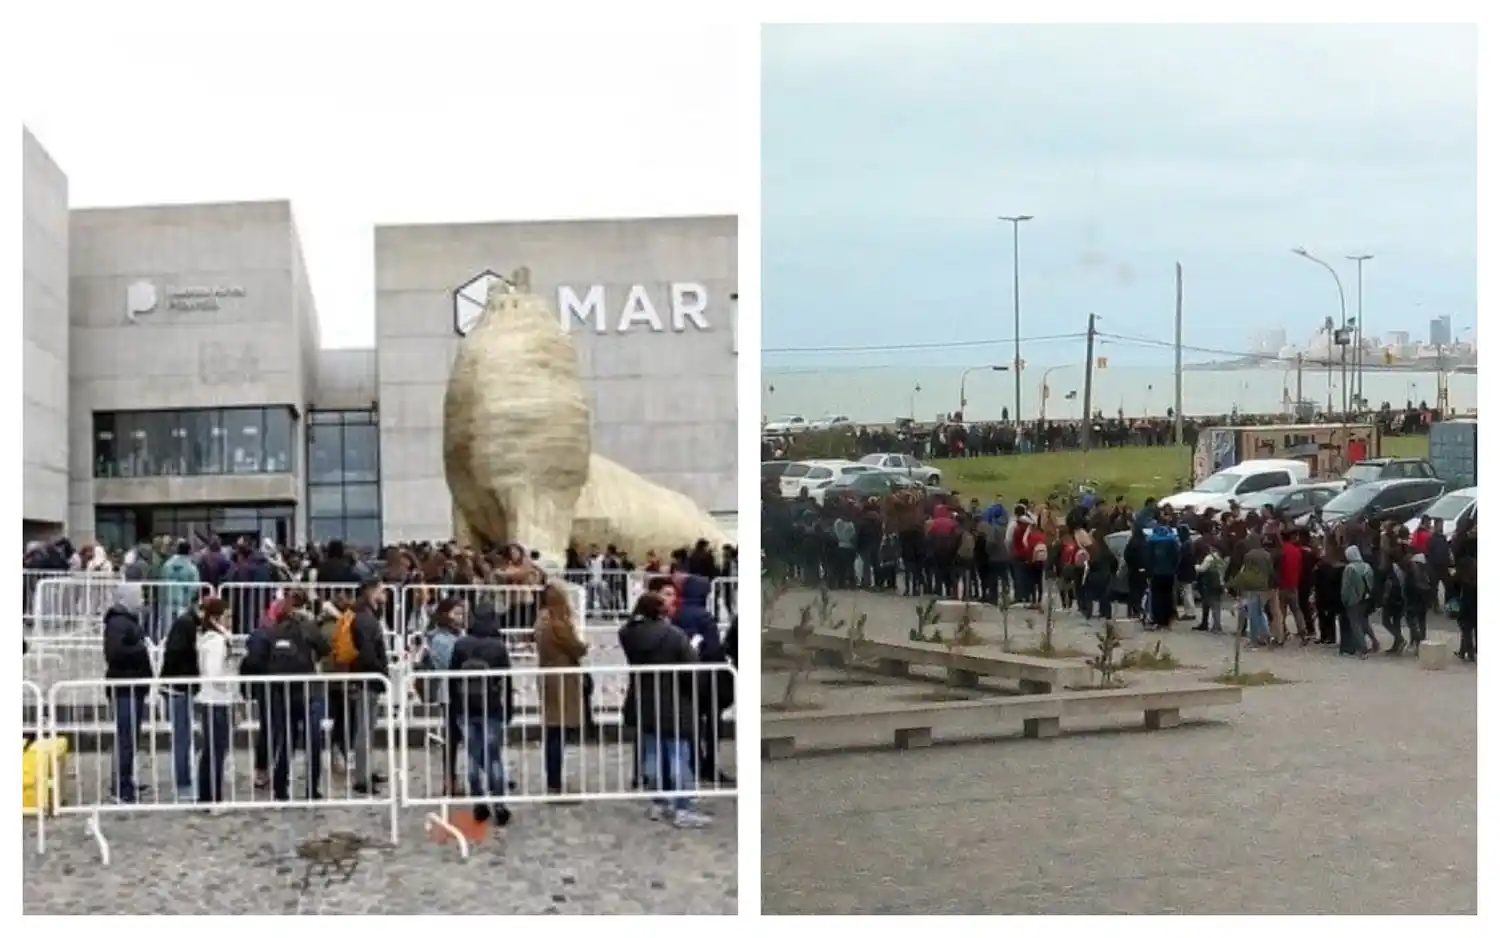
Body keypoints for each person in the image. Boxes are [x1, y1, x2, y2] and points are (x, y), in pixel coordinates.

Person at [618, 592, 710, 829]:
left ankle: (658, 801)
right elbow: (692, 669)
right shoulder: (674, 635)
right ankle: (683, 807)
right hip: (674, 701)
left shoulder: (628, 634)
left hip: (644, 699)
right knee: (679, 755)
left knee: (653, 754)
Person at [449, 597, 514, 826]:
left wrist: (453, 708)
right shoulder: (498, 647)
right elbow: (507, 680)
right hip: (491, 707)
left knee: (474, 755)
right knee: (493, 756)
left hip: (465, 707)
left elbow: (452, 678)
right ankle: (499, 803)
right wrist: (508, 710)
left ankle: (479, 803)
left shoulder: (461, 644)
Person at [534, 582, 588, 799]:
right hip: (562, 677)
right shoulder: (558, 623)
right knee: (558, 730)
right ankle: (555, 781)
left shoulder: (541, 620)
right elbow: (576, 647)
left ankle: (553, 779)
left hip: (548, 675)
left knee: (553, 730)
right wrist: (584, 645)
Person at [102, 583, 154, 804]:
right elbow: (114, 652)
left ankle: (126, 780)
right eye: (139, 596)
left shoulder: (127, 621)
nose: (142, 601)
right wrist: (141, 650)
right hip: (125, 686)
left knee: (130, 738)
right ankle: (121, 787)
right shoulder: (118, 623)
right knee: (125, 738)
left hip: (134, 684)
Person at [158, 593, 206, 801]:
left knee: (183, 735)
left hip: (180, 686)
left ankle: (185, 779)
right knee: (182, 736)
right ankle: (183, 782)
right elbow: (176, 654)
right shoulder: (185, 625)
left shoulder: (188, 624)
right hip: (178, 687)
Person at [194, 598, 237, 807]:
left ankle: (208, 794)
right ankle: (212, 796)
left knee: (212, 751)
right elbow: (213, 673)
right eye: (227, 616)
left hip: (212, 698)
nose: (230, 620)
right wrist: (229, 680)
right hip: (216, 699)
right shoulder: (216, 641)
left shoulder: (209, 638)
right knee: (215, 750)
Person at [1340, 545, 1376, 658]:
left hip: (1353, 600)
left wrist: (1344, 599)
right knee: (1364, 622)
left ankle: (1363, 648)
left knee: (1355, 624)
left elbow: (1345, 587)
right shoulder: (1367, 566)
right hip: (1366, 598)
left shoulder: (1349, 568)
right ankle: (1375, 641)